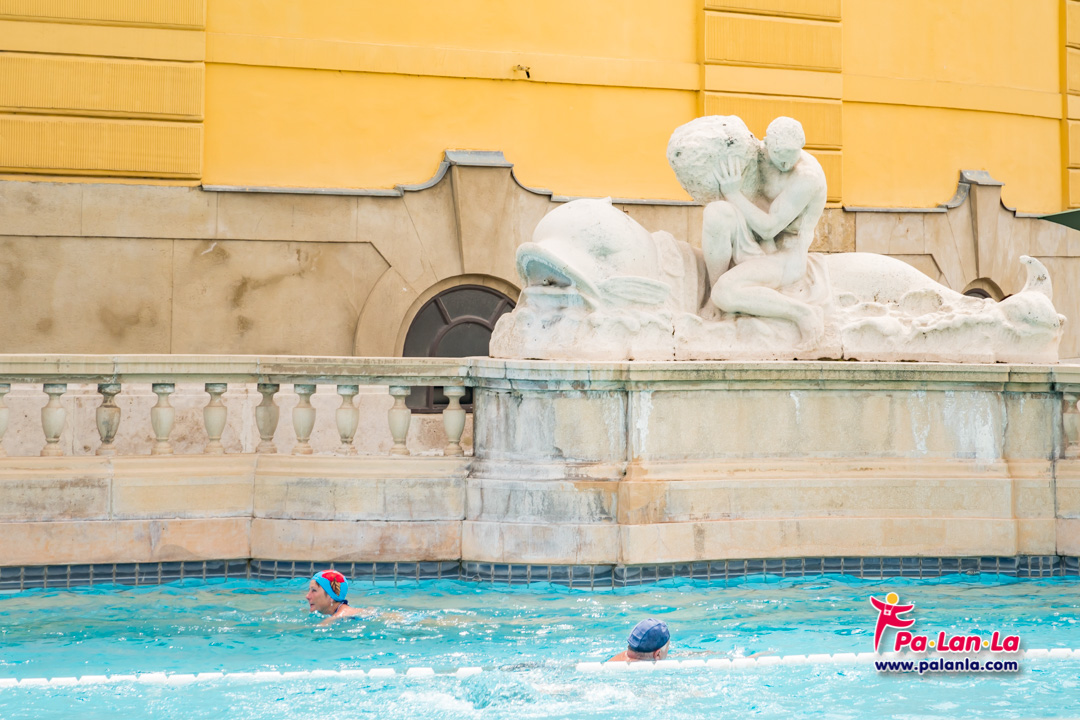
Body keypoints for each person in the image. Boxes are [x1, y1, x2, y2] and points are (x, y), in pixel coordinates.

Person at [704, 116, 829, 348]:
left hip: (785, 256)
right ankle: (714, 298)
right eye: (779, 157)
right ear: (767, 145)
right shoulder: (758, 157)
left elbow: (770, 227)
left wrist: (733, 194)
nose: (784, 165)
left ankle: (804, 314)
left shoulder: (806, 177)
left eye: (791, 157)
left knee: (727, 291)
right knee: (716, 213)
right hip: (753, 239)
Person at [306, 570, 370, 624]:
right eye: (309, 590)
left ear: (330, 596)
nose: (307, 596)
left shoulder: (336, 618)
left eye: (314, 590)